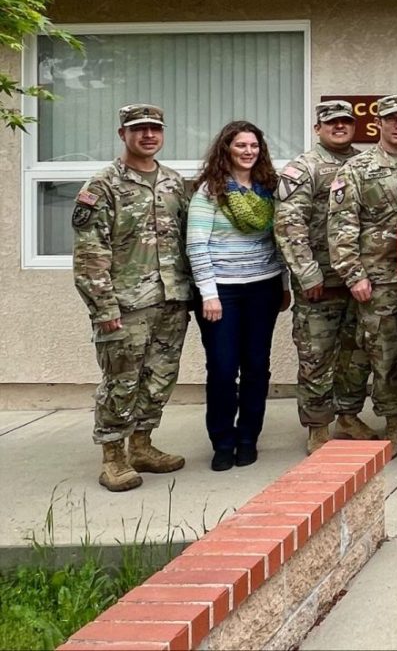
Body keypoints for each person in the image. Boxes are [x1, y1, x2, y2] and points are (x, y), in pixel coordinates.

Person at [72, 104, 193, 492]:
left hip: (171, 301)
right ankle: (113, 457)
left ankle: (142, 446)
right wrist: (103, 307)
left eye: (155, 129)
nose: (148, 136)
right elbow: (90, 254)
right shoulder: (103, 185)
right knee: (121, 381)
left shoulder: (174, 183)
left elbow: (189, 239)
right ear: (122, 134)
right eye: (139, 129)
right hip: (125, 305)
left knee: (159, 379)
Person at [274, 100, 377, 454]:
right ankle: (318, 425)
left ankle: (348, 415)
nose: (339, 127)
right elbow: (289, 224)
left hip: (361, 279)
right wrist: (306, 273)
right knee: (316, 355)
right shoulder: (305, 168)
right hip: (321, 281)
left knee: (357, 353)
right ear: (318, 127)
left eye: (346, 122)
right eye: (331, 122)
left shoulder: (366, 163)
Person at [328, 94, 397, 455]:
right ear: (379, 123)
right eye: (391, 118)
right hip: (379, 274)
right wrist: (354, 274)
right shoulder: (357, 168)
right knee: (383, 352)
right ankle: (392, 420)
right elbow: (340, 226)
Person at [187, 120, 286, 471]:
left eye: (254, 146)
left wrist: (284, 285)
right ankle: (222, 440)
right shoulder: (209, 191)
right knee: (224, 368)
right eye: (241, 145)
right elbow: (197, 246)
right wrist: (209, 295)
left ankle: (248, 437)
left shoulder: (268, 189)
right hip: (222, 295)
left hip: (264, 288)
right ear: (226, 149)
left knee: (257, 367)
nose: (248, 151)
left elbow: (279, 242)